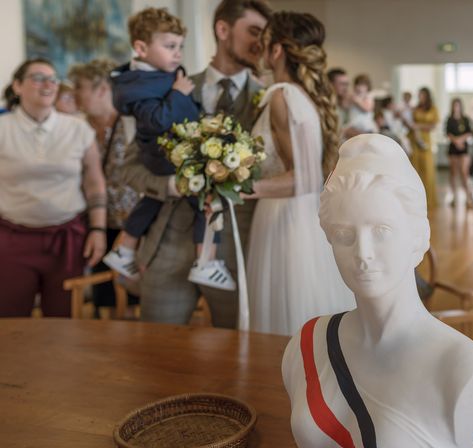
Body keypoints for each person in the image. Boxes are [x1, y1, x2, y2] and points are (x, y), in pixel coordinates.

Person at [282, 134, 473, 448]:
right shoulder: (306, 344)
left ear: (419, 237)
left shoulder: (464, 369)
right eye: (343, 235)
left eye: (381, 230)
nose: (362, 252)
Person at [120, 0, 271, 326]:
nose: (261, 43)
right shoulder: (170, 87)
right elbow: (129, 167)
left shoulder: (271, 99)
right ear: (223, 30)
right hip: (168, 248)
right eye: (253, 32)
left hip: (237, 254)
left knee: (236, 360)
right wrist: (169, 185)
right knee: (155, 357)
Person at [101, 8, 234, 290]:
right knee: (205, 202)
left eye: (181, 47)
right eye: (170, 46)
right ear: (141, 47)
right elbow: (155, 120)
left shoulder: (152, 77)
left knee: (149, 202)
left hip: (166, 151)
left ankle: (124, 248)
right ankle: (206, 262)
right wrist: (178, 94)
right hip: (164, 155)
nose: (178, 54)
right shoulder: (139, 86)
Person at [244, 11, 355, 335]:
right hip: (302, 216)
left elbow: (302, 178)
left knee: (285, 318)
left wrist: (241, 187)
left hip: (285, 219)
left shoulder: (282, 96)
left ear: (276, 50)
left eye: (263, 41)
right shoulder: (306, 96)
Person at [0, 58, 107, 317]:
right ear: (17, 86)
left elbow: (94, 182)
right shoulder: (3, 128)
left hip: (67, 238)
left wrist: (98, 230)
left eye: (53, 79)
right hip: (13, 239)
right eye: (38, 78)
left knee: (64, 325)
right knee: (10, 323)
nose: (48, 84)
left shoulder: (78, 129)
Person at [69, 58, 140, 310]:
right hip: (96, 223)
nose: (73, 92)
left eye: (80, 86)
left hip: (132, 225)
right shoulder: (78, 127)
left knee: (133, 294)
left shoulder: (131, 123)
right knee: (104, 296)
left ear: (102, 89)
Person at [409, 86, 439, 208]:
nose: (420, 97)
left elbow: (433, 126)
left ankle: (428, 200)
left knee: (427, 170)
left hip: (425, 140)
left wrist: (418, 126)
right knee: (414, 168)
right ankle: (414, 200)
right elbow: (410, 122)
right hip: (414, 139)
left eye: (422, 95)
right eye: (419, 95)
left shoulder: (433, 109)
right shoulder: (415, 108)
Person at [445, 97, 473, 207]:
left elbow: (469, 132)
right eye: (455, 105)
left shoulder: (465, 119)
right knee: (453, 173)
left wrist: (461, 140)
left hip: (463, 148)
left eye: (458, 105)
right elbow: (448, 133)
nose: (456, 107)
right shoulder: (449, 119)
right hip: (453, 148)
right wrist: (456, 141)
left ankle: (468, 197)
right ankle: (453, 196)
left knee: (464, 172)